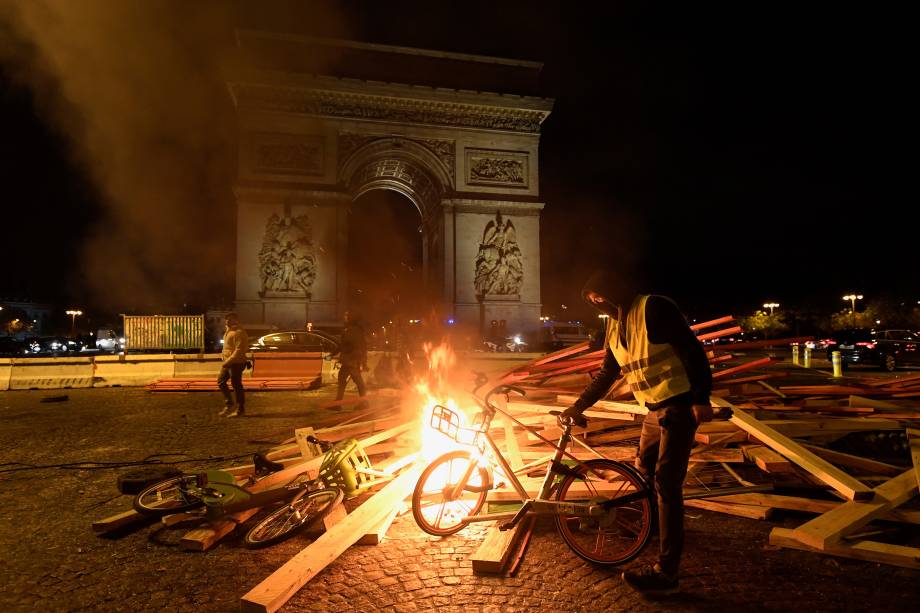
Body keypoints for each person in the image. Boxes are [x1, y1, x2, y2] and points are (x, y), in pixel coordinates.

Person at [562, 270, 713, 594]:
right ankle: (651, 529)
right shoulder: (614, 326)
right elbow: (607, 372)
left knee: (667, 483)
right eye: (592, 302)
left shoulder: (654, 308)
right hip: (653, 411)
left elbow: (692, 351)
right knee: (643, 472)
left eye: (598, 296)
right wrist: (578, 406)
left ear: (613, 288)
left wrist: (702, 398)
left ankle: (667, 573)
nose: (597, 303)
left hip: (680, 406)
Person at [217, 313, 249, 418]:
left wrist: (228, 361)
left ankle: (240, 409)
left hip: (236, 363)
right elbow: (227, 348)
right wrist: (224, 357)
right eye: (226, 320)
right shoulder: (229, 331)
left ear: (236, 320)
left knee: (236, 385)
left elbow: (239, 350)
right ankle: (229, 404)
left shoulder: (239, 332)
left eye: (230, 319)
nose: (227, 321)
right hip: (228, 362)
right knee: (221, 381)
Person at [334, 311, 368, 403]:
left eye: (346, 315)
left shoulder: (353, 330)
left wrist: (363, 361)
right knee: (343, 380)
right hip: (349, 360)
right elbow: (344, 345)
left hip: (352, 360)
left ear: (350, 318)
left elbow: (350, 345)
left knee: (358, 382)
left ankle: (364, 402)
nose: (344, 317)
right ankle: (338, 403)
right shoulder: (351, 329)